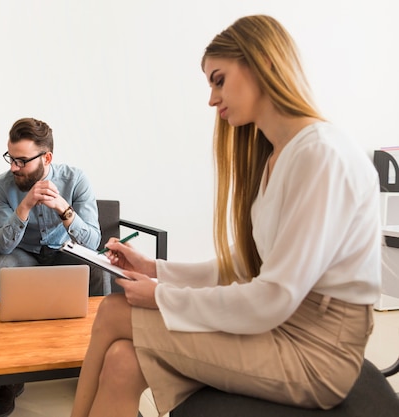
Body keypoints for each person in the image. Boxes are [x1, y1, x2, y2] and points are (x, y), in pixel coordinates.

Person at [70, 15, 381, 417]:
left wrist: (163, 296)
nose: (212, 99)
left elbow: (274, 296)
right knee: (121, 363)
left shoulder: (320, 155)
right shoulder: (279, 157)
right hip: (281, 329)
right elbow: (243, 264)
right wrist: (157, 270)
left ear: (264, 63)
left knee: (113, 312)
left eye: (219, 79)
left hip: (315, 354)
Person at [0, 117, 104, 417]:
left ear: (46, 157)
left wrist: (64, 209)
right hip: (24, 255)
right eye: (11, 158)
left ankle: (96, 365)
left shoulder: (76, 179)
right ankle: (11, 378)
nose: (14, 167)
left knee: (96, 267)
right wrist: (23, 207)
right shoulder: (1, 185)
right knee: (2, 265)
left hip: (64, 251)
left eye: (22, 161)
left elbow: (93, 241)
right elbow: (0, 245)